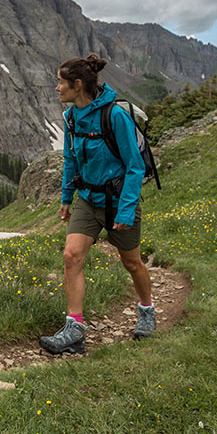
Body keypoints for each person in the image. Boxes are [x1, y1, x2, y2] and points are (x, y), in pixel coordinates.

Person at [40, 53, 155, 355]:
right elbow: (70, 159)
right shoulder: (71, 118)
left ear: (77, 85)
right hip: (87, 200)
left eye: (61, 83)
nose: (57, 88)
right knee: (71, 256)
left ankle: (147, 311)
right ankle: (74, 330)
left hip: (119, 200)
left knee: (132, 263)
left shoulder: (115, 116)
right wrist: (66, 198)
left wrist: (127, 210)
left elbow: (134, 166)